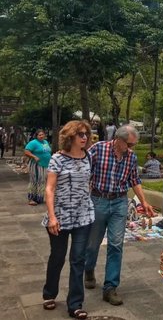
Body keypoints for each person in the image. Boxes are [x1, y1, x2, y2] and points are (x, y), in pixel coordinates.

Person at [84, 124, 154, 306]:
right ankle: (88, 269)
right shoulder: (98, 149)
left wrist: (144, 202)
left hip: (119, 202)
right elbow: (83, 168)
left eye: (133, 145)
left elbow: (134, 180)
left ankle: (110, 287)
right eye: (129, 145)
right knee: (93, 244)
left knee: (116, 244)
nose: (131, 149)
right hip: (98, 200)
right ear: (118, 140)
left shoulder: (131, 157)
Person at [42, 121, 94, 319]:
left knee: (78, 260)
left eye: (86, 134)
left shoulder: (88, 156)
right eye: (80, 134)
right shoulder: (58, 158)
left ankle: (75, 304)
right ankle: (49, 293)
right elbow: (50, 188)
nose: (84, 137)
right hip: (60, 216)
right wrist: (52, 216)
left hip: (83, 217)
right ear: (70, 137)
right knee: (57, 256)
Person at [24, 129, 52, 205]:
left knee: (42, 181)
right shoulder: (33, 143)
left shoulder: (45, 142)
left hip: (45, 165)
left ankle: (39, 198)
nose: (41, 136)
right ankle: (31, 198)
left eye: (42, 134)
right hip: (37, 165)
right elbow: (26, 151)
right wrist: (34, 156)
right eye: (39, 135)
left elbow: (47, 151)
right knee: (35, 181)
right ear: (36, 136)